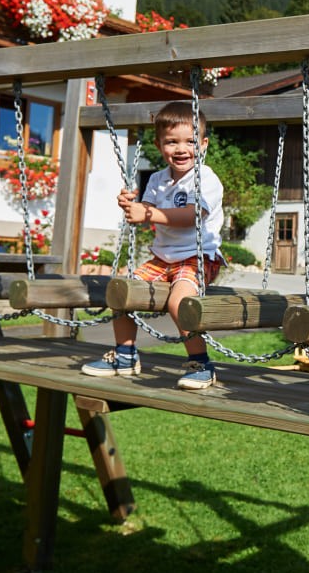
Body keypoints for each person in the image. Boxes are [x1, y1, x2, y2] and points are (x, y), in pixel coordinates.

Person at [82, 101, 225, 390]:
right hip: (163, 259)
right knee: (121, 291)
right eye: (172, 142)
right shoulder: (157, 180)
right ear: (159, 145)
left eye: (190, 141)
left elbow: (193, 215)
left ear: (203, 144)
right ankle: (125, 355)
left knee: (179, 302)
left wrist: (147, 213)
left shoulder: (205, 178)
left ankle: (201, 363)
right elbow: (145, 209)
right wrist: (130, 205)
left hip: (197, 257)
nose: (181, 149)